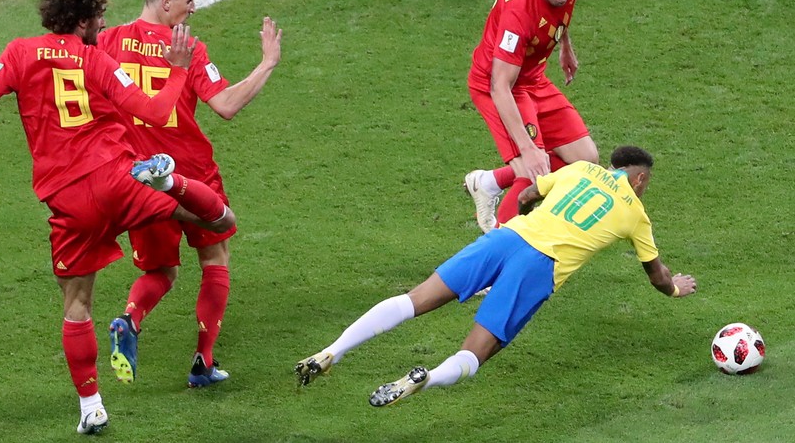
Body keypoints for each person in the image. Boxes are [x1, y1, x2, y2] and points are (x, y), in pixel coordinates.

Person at [0, 0, 236, 435]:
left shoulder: (18, 53)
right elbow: (157, 112)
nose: (103, 22)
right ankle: (211, 207)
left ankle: (92, 407)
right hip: (119, 181)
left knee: (77, 303)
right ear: (82, 21)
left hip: (69, 201)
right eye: (98, 15)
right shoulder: (95, 59)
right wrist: (178, 68)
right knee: (203, 217)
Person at [295, 146, 697, 407]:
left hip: (506, 239)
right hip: (538, 269)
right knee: (477, 351)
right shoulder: (635, 214)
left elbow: (524, 196)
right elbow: (658, 276)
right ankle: (426, 377)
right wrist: (677, 288)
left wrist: (523, 225)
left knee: (413, 300)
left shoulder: (580, 169)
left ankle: (334, 350)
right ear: (639, 179)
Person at [97, 0, 281, 388]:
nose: (193, 9)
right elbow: (227, 105)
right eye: (189, 1)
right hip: (192, 176)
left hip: (138, 177)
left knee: (160, 271)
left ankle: (130, 318)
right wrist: (267, 63)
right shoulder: (189, 50)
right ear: (166, 2)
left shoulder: (108, 41)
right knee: (215, 258)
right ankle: (203, 362)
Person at [464, 0, 599, 233]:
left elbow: (561, 11)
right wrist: (527, 149)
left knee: (585, 161)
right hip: (498, 85)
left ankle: (488, 183)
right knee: (533, 172)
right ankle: (495, 257)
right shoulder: (519, 15)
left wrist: (565, 44)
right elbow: (500, 85)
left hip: (532, 78)